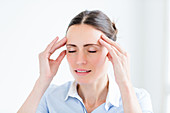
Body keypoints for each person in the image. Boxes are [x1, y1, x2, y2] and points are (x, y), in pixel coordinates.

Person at [17, 10, 153, 113]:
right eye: (71, 50)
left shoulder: (137, 99)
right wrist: (42, 81)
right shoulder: (50, 97)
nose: (80, 61)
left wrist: (124, 83)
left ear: (111, 53)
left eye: (92, 50)